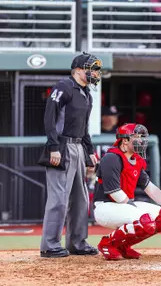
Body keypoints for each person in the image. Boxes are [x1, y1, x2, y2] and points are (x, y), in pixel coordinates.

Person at [94, 123, 161, 260]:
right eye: (137, 137)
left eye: (142, 138)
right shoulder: (112, 158)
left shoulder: (135, 160)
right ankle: (107, 243)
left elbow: (151, 188)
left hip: (125, 204)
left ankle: (123, 246)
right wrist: (138, 213)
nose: (142, 141)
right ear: (125, 140)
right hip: (105, 207)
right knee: (146, 221)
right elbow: (114, 192)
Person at [40, 52, 103, 258]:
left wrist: (90, 151)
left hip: (77, 147)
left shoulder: (87, 94)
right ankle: (50, 245)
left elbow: (84, 128)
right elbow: (50, 116)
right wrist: (53, 146)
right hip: (62, 145)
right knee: (59, 198)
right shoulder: (63, 86)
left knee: (81, 199)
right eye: (91, 68)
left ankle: (77, 242)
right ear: (77, 70)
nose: (95, 72)